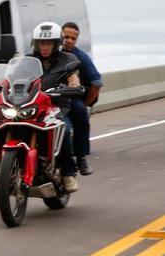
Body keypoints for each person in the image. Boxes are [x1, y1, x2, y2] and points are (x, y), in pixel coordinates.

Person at [29, 21, 81, 193]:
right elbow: (13, 77)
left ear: (56, 44)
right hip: (32, 106)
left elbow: (73, 77)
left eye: (49, 43)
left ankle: (68, 173)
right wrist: (0, 85)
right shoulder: (29, 61)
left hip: (56, 107)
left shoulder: (68, 60)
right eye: (41, 43)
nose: (44, 47)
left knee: (63, 130)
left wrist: (73, 85)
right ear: (35, 44)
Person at [62, 21, 103, 175]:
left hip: (72, 99)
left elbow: (96, 82)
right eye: (66, 37)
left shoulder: (81, 57)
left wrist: (86, 103)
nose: (69, 41)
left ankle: (81, 158)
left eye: (73, 38)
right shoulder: (51, 52)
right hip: (49, 99)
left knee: (81, 113)